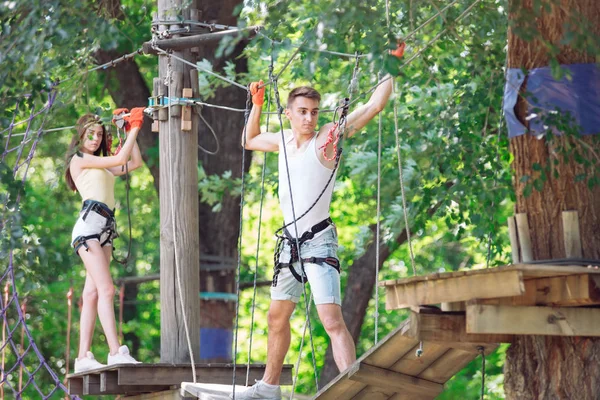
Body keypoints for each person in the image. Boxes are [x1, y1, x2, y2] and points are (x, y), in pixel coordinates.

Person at [234, 44, 404, 399]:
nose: (309, 118)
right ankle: (269, 387)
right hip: (289, 246)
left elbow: (373, 106)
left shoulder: (326, 140)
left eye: (313, 112)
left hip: (318, 242)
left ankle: (356, 391)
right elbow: (248, 139)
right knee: (276, 318)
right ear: (289, 114)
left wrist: (391, 63)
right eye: (302, 112)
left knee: (331, 321)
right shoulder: (281, 141)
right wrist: (258, 104)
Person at [65, 108, 145, 373]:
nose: (96, 138)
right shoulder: (79, 159)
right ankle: (114, 351)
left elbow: (132, 162)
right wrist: (134, 127)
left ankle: (83, 357)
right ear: (80, 136)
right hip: (89, 229)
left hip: (105, 230)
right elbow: (121, 157)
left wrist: (127, 128)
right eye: (92, 133)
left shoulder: (104, 166)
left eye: (100, 134)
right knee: (107, 289)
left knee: (91, 293)